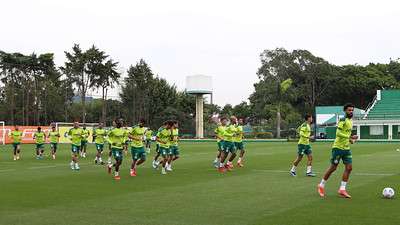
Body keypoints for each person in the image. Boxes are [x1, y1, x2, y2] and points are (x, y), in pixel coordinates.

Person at [318, 103, 358, 198]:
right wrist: (350, 137)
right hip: (338, 148)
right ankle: (321, 185)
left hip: (346, 148)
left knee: (349, 168)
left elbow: (346, 133)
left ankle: (342, 189)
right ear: (345, 111)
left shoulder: (350, 121)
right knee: (333, 168)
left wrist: (351, 139)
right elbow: (338, 133)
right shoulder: (342, 119)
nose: (351, 112)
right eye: (349, 110)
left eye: (352, 110)